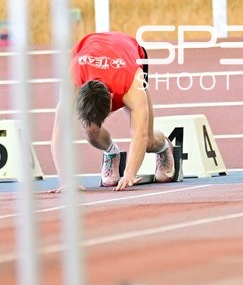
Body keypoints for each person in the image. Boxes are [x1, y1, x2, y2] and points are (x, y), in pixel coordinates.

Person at [49, 31, 175, 191]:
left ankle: (164, 146)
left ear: (111, 100)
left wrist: (130, 173)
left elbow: (140, 134)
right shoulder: (72, 82)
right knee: (90, 130)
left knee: (148, 142)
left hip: (130, 55)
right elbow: (57, 135)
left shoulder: (132, 85)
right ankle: (111, 152)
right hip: (90, 48)